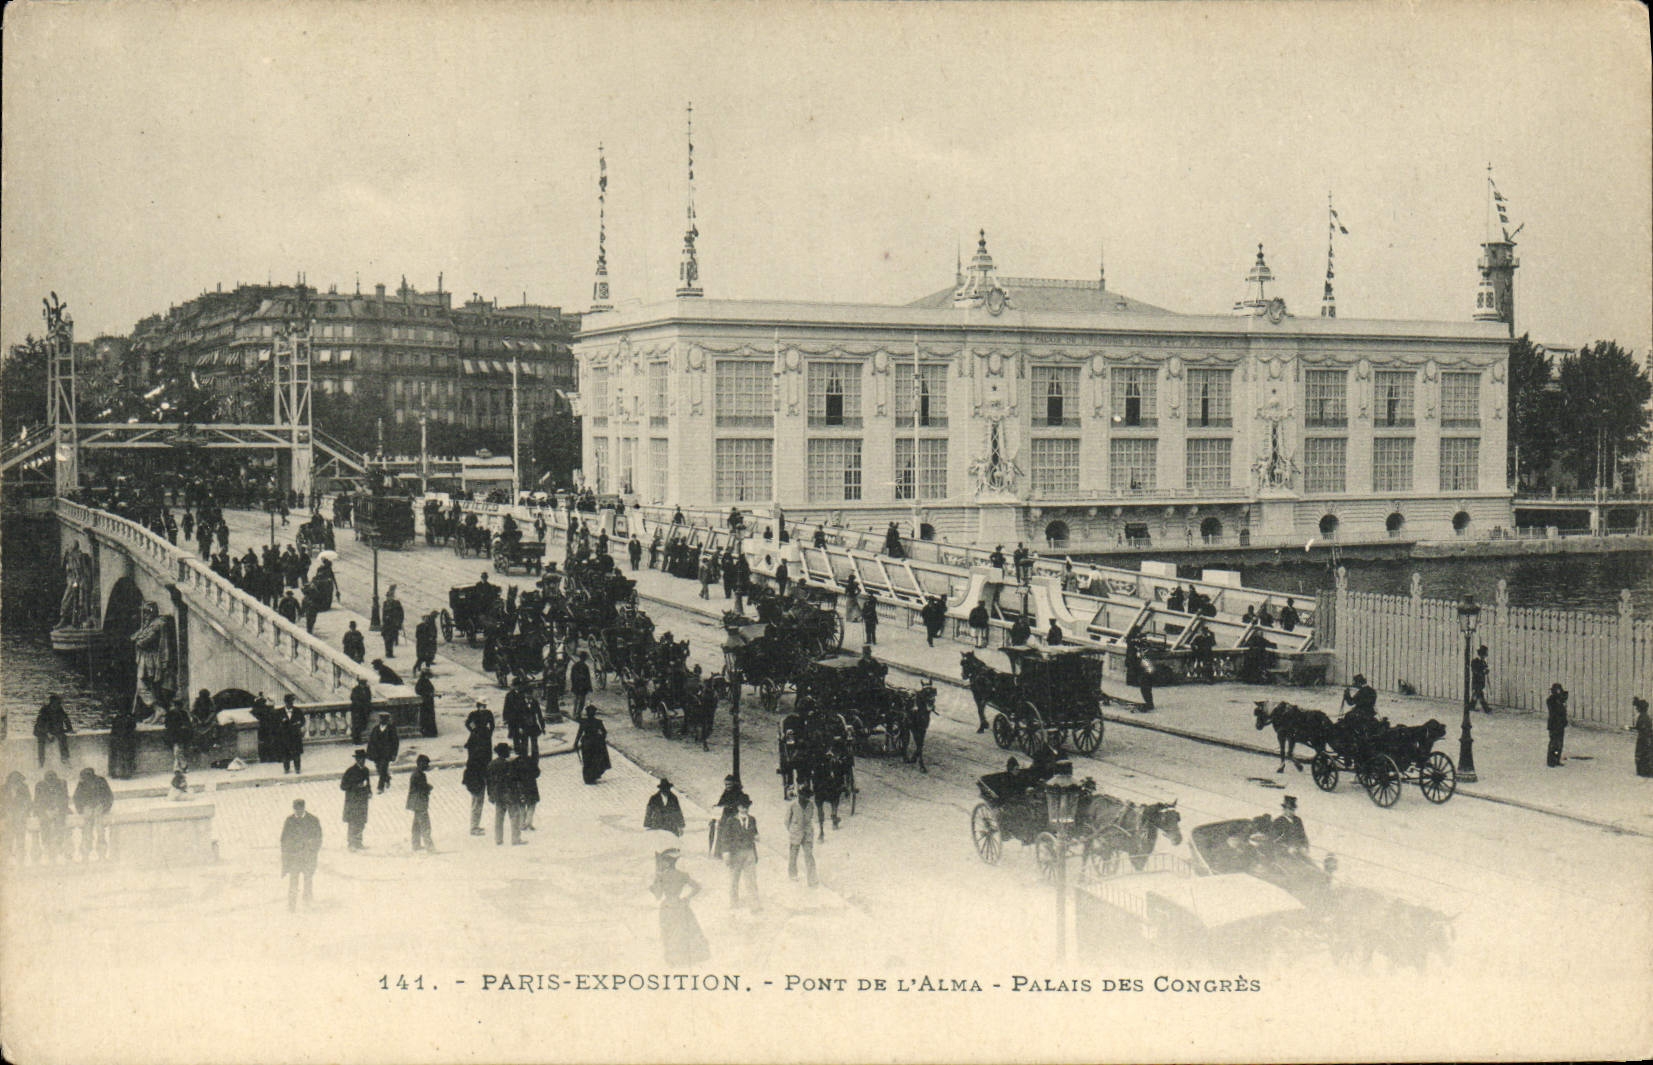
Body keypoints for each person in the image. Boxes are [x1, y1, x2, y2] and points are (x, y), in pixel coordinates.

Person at [651, 846, 710, 966]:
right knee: (684, 931)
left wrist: (654, 883)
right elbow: (697, 887)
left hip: (667, 906)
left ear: (667, 862)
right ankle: (686, 957)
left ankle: (673, 959)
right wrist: (687, 898)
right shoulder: (682, 875)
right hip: (680, 905)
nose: (662, 863)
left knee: (668, 933)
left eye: (663, 861)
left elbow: (657, 895)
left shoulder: (661, 876)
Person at [280, 798, 323, 911]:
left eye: (299, 810)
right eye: (295, 810)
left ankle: (307, 902)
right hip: (294, 857)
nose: (297, 812)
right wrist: (286, 854)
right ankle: (291, 905)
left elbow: (318, 838)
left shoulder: (313, 820)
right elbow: (284, 839)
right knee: (293, 880)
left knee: (308, 879)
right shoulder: (289, 820)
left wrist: (312, 850)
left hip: (308, 857)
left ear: (304, 808)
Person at [719, 795, 760, 911]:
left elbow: (755, 833)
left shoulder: (752, 819)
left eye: (747, 806)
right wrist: (726, 852)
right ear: (738, 807)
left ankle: (754, 904)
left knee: (751, 880)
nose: (745, 809)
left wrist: (756, 836)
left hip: (749, 853)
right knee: (734, 880)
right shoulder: (731, 821)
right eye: (742, 806)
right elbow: (725, 838)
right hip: (735, 853)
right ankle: (734, 902)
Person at [486, 743, 524, 845]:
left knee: (499, 817)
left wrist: (490, 794)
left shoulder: (491, 764)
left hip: (497, 794)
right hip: (509, 793)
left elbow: (489, 782)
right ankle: (516, 839)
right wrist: (519, 793)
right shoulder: (509, 764)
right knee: (514, 816)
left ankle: (498, 839)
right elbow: (514, 780)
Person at [73, 767, 113, 861]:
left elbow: (108, 796)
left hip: (99, 812)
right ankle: (85, 855)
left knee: (100, 833)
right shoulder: (81, 784)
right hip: (88, 812)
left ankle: (101, 855)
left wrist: (103, 808)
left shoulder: (101, 781)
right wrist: (83, 809)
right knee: (87, 834)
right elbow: (77, 798)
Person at [33, 770, 70, 863]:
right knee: (45, 826)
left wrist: (58, 809)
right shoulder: (40, 785)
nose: (51, 783)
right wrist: (46, 811)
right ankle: (47, 847)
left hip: (59, 811)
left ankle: (59, 846)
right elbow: (37, 800)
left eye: (53, 780)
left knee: (60, 825)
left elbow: (65, 798)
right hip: (44, 812)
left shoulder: (62, 784)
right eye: (49, 781)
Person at [786, 786, 820, 888]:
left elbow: (810, 818)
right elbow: (786, 821)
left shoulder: (810, 805)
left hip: (807, 834)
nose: (805, 798)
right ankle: (793, 873)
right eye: (804, 796)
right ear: (799, 795)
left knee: (809, 855)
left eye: (807, 797)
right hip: (796, 833)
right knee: (793, 854)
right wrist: (792, 830)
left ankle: (812, 880)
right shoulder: (793, 805)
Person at [340, 749, 372, 850]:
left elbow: (368, 783)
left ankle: (358, 842)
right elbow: (343, 786)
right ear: (357, 759)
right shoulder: (350, 771)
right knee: (353, 822)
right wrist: (356, 786)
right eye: (360, 759)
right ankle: (351, 843)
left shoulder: (366, 770)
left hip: (363, 800)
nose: (362, 761)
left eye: (363, 759)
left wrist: (369, 791)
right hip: (353, 801)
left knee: (361, 822)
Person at [34, 695, 73, 767]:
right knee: (41, 741)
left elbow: (66, 718)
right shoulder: (44, 710)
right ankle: (41, 761)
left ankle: (65, 758)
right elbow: (40, 724)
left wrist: (70, 728)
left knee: (62, 737)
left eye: (58, 704)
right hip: (42, 730)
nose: (57, 706)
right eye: (55, 704)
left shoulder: (59, 709)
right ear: (51, 703)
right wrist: (47, 733)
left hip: (55, 730)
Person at [575, 707, 611, 785]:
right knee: (595, 760)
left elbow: (579, 733)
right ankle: (593, 776)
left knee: (587, 760)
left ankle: (588, 778)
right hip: (595, 743)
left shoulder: (583, 722)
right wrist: (601, 738)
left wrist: (576, 742)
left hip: (586, 743)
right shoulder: (598, 722)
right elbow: (604, 732)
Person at [4, 772, 33, 865]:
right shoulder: (3, 789)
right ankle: (6, 859)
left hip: (20, 818)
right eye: (13, 781)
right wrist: (5, 813)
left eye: (18, 781)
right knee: (7, 839)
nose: (16, 784)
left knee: (21, 839)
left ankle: (21, 860)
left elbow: (28, 802)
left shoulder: (24, 788)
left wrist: (23, 812)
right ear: (9, 781)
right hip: (7, 819)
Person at [366, 711, 400, 793]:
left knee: (383, 768)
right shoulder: (376, 729)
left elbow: (395, 742)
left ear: (387, 720)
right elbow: (371, 741)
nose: (382, 720)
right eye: (381, 719)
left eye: (385, 719)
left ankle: (380, 787)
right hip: (377, 754)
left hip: (386, 754)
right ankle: (387, 778)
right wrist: (369, 753)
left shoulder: (391, 729)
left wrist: (394, 754)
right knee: (379, 769)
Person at [514, 749, 541, 832]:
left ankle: (522, 824)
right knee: (531, 804)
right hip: (531, 786)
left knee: (521, 805)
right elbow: (537, 773)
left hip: (520, 786)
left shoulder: (515, 762)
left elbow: (512, 775)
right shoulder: (531, 761)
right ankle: (528, 823)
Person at [280, 694, 306, 774]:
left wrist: (299, 724)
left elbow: (303, 721)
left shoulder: (297, 711)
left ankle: (297, 768)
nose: (290, 704)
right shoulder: (280, 712)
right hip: (285, 736)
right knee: (285, 753)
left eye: (291, 702)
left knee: (296, 753)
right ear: (285, 702)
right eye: (288, 702)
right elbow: (276, 723)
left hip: (295, 735)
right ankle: (286, 768)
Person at [1546, 683, 1568, 767]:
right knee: (1554, 743)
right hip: (1554, 724)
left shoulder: (1560, 700)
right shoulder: (1551, 700)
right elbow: (1555, 710)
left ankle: (1556, 759)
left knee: (1559, 744)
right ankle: (1551, 761)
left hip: (1560, 724)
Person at [380, 585, 404, 658]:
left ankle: (390, 652)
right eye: (388, 597)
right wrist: (384, 620)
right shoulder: (385, 603)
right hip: (386, 625)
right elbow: (383, 613)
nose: (389, 598)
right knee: (387, 639)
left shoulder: (396, 603)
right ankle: (388, 652)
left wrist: (399, 622)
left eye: (390, 596)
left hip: (393, 625)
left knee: (391, 639)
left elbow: (401, 613)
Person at [1632, 697, 1652, 778]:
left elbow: (1641, 728)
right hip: (1646, 737)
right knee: (1646, 754)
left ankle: (1644, 771)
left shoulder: (1643, 717)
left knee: (1643, 754)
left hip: (1644, 738)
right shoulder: (1645, 716)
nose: (1636, 709)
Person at [569, 651, 593, 720]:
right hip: (582, 686)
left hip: (576, 685)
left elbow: (572, 677)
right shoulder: (585, 667)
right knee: (581, 701)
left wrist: (573, 685)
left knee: (576, 700)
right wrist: (589, 687)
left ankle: (575, 714)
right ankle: (578, 714)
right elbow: (588, 678)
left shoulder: (575, 665)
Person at [349, 678, 372, 744]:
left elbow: (369, 698)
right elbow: (353, 698)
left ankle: (358, 739)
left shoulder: (367, 689)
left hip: (364, 710)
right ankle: (356, 740)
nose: (363, 685)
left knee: (362, 725)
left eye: (364, 684)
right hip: (356, 710)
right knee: (356, 725)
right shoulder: (356, 689)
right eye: (362, 684)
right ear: (359, 684)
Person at [1469, 646, 1492, 712]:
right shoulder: (1475, 661)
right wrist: (1482, 672)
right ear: (1481, 654)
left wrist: (1486, 671)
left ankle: (1471, 706)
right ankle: (1486, 708)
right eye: (1484, 654)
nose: (1485, 656)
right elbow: (1474, 670)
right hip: (1476, 681)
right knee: (1480, 695)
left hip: (1481, 682)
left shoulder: (1483, 662)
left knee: (1476, 695)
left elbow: (1485, 669)